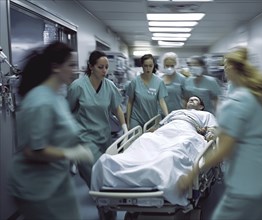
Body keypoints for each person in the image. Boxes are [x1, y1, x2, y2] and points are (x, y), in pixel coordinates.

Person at [177, 47, 262, 220]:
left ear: (231, 67)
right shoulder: (259, 95)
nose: (224, 69)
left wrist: (193, 173)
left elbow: (225, 149)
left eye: (225, 65)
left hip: (246, 178)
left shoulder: (236, 102)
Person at [8, 42, 93, 220]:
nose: (75, 70)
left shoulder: (58, 97)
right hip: (37, 187)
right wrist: (71, 153)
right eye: (71, 65)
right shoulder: (39, 101)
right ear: (55, 67)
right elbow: (33, 151)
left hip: (58, 180)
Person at [91, 96, 217, 206]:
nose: (191, 101)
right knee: (145, 139)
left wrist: (207, 133)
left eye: (195, 100)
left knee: (175, 151)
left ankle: (160, 168)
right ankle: (121, 162)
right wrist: (151, 131)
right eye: (190, 99)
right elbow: (159, 126)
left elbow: (213, 131)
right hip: (165, 131)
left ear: (201, 106)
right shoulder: (176, 112)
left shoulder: (206, 115)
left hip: (187, 132)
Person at [66, 50, 127, 187]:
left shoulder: (109, 86)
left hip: (104, 138)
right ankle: (105, 204)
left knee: (107, 174)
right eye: (100, 67)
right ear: (91, 66)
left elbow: (116, 108)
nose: (104, 71)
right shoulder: (78, 86)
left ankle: (106, 206)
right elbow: (67, 111)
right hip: (85, 138)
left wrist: (124, 127)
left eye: (106, 67)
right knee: (96, 176)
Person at [126, 54, 169, 129]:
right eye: (145, 66)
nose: (148, 68)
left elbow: (162, 101)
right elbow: (130, 102)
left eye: (150, 66)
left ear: (153, 66)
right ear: (142, 66)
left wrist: (167, 118)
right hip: (136, 118)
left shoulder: (159, 82)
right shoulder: (135, 82)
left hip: (152, 118)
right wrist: (127, 122)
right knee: (134, 139)